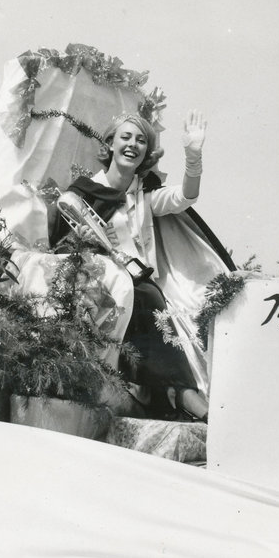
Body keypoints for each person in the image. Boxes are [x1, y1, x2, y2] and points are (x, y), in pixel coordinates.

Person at [52, 111, 210, 421]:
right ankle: (184, 396)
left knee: (156, 299)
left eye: (141, 141)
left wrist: (193, 156)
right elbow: (59, 248)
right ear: (110, 143)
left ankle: (177, 394)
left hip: (142, 285)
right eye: (125, 137)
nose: (132, 145)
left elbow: (185, 196)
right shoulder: (84, 192)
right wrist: (83, 241)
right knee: (145, 296)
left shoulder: (145, 195)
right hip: (101, 284)